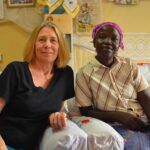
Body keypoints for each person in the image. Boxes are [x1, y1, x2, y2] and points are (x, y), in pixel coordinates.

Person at [0, 21, 87, 150]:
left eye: (53, 40)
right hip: (7, 142)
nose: (47, 45)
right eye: (41, 40)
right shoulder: (15, 70)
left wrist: (55, 115)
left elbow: (57, 107)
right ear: (33, 45)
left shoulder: (65, 74)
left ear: (60, 46)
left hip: (40, 144)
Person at [75, 21, 150, 149]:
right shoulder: (84, 74)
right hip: (113, 124)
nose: (108, 41)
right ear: (94, 41)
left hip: (142, 121)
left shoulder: (129, 65)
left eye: (114, 39)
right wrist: (120, 117)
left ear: (119, 44)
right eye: (102, 36)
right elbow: (85, 111)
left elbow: (145, 97)